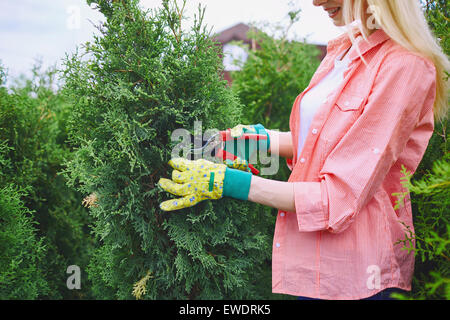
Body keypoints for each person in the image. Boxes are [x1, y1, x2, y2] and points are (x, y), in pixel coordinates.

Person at [158, 0, 449, 300]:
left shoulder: (404, 66)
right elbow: (325, 143)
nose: (315, 1)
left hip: (360, 278)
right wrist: (251, 141)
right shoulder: (344, 51)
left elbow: (337, 198)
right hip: (315, 267)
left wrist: (227, 181)